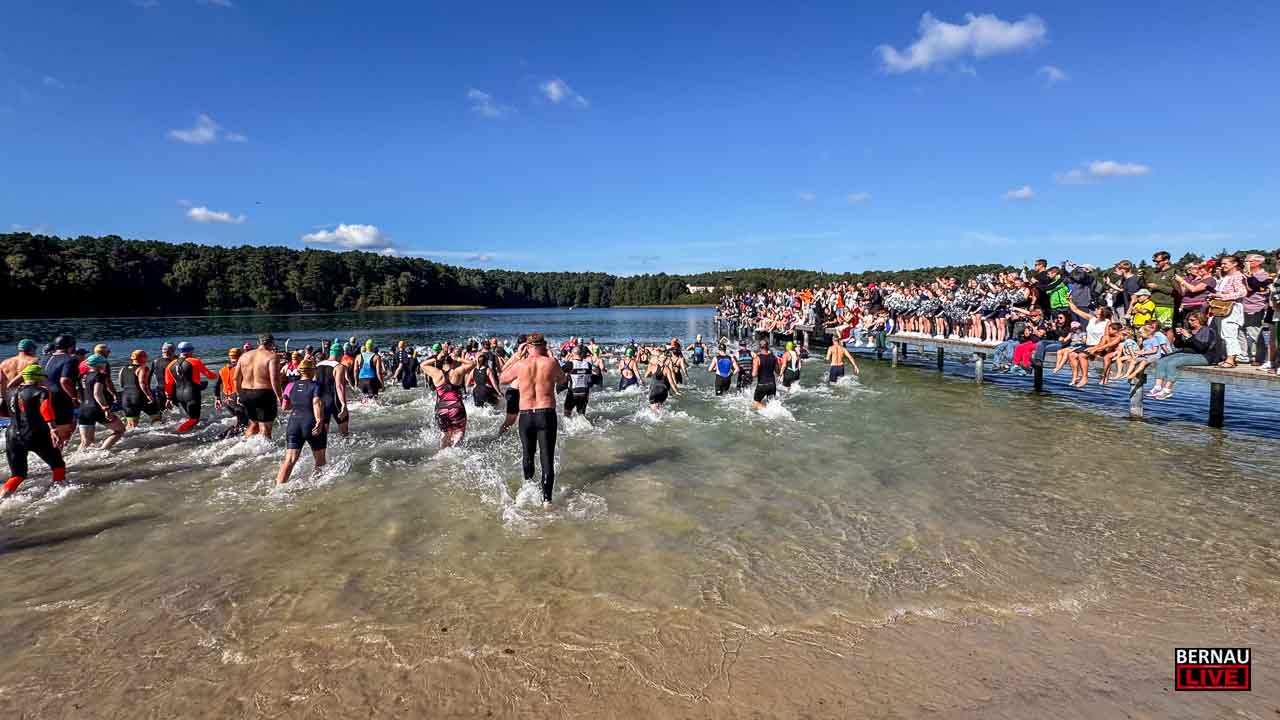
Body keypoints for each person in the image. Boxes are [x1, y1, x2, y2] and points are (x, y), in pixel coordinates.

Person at [498, 333, 566, 509]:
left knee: (528, 454)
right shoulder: (550, 363)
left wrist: (518, 356)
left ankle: (528, 489)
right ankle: (547, 500)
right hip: (546, 413)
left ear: (527, 346)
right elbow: (562, 379)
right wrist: (550, 356)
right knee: (547, 457)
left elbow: (502, 378)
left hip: (526, 415)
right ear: (543, 345)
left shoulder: (520, 364)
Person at [2, 364, 67, 500]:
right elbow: (45, 408)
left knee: (18, 475)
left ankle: (2, 499)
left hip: (12, 435)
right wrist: (53, 429)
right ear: (39, 378)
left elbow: (3, 411)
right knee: (58, 465)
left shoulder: (9, 392)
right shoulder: (41, 391)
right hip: (36, 434)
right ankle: (60, 493)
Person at [1147, 311, 1225, 399]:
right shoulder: (1190, 330)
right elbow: (1179, 345)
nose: (1190, 322)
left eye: (1193, 320)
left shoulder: (1207, 331)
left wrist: (1189, 336)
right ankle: (1157, 387)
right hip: (1189, 353)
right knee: (1162, 360)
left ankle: (1167, 390)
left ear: (1200, 320)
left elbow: (1202, 348)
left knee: (1173, 362)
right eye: (1189, 320)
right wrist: (1179, 336)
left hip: (1206, 356)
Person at [275, 359, 326, 485]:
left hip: (294, 424)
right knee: (320, 459)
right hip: (311, 422)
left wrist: (299, 403)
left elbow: (285, 407)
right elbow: (316, 402)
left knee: (290, 459)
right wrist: (319, 421)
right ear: (313, 371)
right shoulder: (316, 385)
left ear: (300, 371)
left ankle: (278, 488)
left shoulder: (290, 386)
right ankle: (315, 485)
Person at [422, 350, 475, 448]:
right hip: (456, 407)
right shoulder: (457, 372)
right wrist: (458, 358)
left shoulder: (436, 373)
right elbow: (472, 363)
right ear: (452, 362)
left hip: (441, 408)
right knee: (459, 433)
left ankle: (443, 453)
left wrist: (436, 358)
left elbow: (423, 364)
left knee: (444, 433)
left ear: (442, 363)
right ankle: (455, 450)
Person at [235, 333, 282, 439]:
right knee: (266, 427)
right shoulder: (272, 356)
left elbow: (236, 378)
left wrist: (239, 394)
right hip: (264, 393)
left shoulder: (244, 356)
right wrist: (280, 396)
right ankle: (266, 451)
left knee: (253, 423)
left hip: (246, 393)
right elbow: (274, 379)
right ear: (272, 343)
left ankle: (245, 443)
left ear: (258, 343)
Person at [76, 354, 125, 450]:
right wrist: (106, 409)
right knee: (120, 430)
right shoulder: (100, 375)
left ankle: (75, 458)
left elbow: (78, 391)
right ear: (100, 364)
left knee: (86, 442)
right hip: (96, 409)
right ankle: (102, 451)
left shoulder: (82, 376)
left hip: (83, 409)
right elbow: (97, 393)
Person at [164, 342, 216, 433]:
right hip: (192, 393)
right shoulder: (194, 361)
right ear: (191, 350)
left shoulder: (170, 365)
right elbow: (210, 375)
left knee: (190, 417)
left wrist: (168, 398)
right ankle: (177, 433)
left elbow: (168, 384)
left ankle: (189, 433)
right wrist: (218, 375)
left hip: (179, 395)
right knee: (194, 419)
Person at [41, 335, 81, 447]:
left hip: (42, 397)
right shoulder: (71, 359)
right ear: (71, 346)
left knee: (53, 429)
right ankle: (57, 459)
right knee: (64, 432)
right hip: (60, 398)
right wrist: (74, 397)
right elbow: (65, 380)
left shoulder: (43, 359)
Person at [1211, 254, 1248, 367]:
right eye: (1221, 264)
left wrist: (1223, 296)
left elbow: (1243, 292)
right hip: (1222, 308)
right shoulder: (1226, 277)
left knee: (1229, 333)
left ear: (1234, 264)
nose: (1222, 266)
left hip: (1232, 308)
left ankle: (1231, 359)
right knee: (1224, 334)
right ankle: (1229, 357)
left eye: (1225, 264)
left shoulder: (1237, 276)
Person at [315, 343, 351, 436]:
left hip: (321, 402)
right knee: (344, 433)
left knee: (323, 433)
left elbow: (313, 383)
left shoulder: (318, 365)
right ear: (340, 355)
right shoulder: (339, 366)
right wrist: (343, 404)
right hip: (335, 401)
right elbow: (339, 386)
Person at [119, 349, 162, 428]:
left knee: (131, 425)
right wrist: (149, 395)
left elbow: (121, 383)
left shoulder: (123, 369)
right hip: (140, 396)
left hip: (126, 397)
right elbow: (142, 383)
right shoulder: (143, 368)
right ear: (143, 358)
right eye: (146, 356)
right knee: (156, 418)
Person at [213, 348, 250, 438]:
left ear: (230, 357)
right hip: (237, 399)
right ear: (241, 356)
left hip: (227, 401)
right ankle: (223, 437)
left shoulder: (223, 370)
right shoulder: (241, 369)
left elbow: (216, 385)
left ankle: (225, 436)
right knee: (243, 424)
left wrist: (217, 398)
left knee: (241, 422)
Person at [497, 335, 527, 436]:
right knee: (510, 421)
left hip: (526, 392)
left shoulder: (533, 358)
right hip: (514, 391)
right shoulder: (516, 356)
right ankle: (499, 436)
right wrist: (518, 358)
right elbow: (503, 370)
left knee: (527, 418)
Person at [1142, 250, 1179, 328]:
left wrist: (1157, 287)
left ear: (1166, 260)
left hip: (1166, 305)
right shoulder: (1154, 273)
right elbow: (1147, 287)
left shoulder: (1173, 272)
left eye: (1158, 261)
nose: (1156, 263)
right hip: (1152, 304)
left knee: (1166, 328)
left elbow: (1176, 291)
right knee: (1152, 329)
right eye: (1154, 261)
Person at [562, 345, 597, 418]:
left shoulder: (570, 364)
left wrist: (565, 361)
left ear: (572, 353)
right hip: (584, 393)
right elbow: (594, 373)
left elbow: (559, 373)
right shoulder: (588, 364)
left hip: (573, 393)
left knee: (567, 414)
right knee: (581, 415)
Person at [751, 340, 779, 409]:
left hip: (762, 384)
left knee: (756, 404)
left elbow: (754, 374)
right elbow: (778, 371)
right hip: (772, 384)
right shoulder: (774, 357)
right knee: (771, 403)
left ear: (759, 347)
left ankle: (766, 410)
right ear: (768, 346)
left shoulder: (757, 358)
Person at [151, 342, 176, 409]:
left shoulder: (155, 361)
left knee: (160, 413)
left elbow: (148, 377)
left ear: (162, 351)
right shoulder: (175, 362)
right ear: (173, 351)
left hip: (159, 391)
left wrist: (148, 392)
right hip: (173, 391)